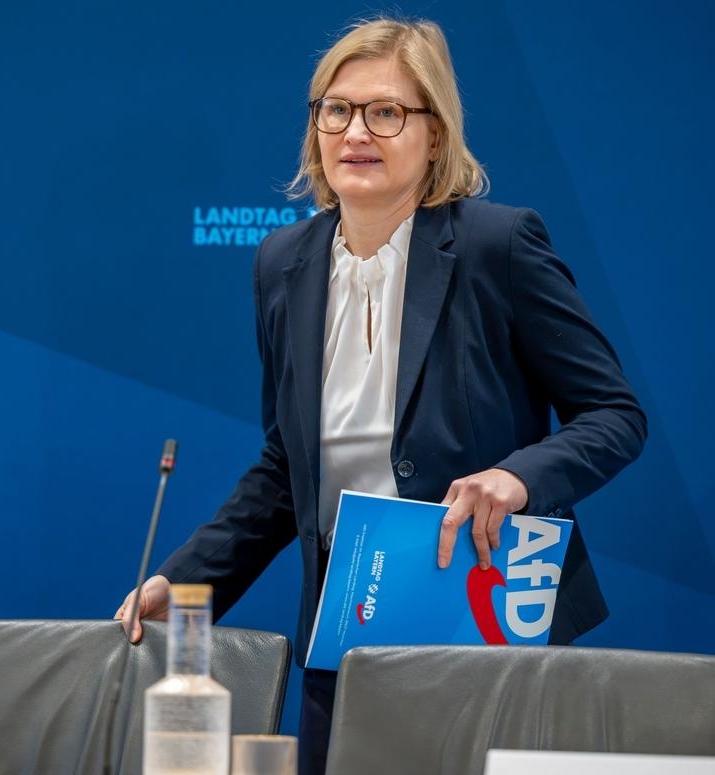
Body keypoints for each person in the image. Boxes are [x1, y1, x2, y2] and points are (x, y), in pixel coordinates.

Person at [115, 17, 646, 774]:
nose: (356, 130)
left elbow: (615, 415)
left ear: (434, 134)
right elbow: (284, 469)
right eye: (337, 109)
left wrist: (520, 476)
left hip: (485, 618)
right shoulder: (282, 264)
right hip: (348, 631)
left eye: (386, 111)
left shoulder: (498, 246)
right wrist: (187, 579)